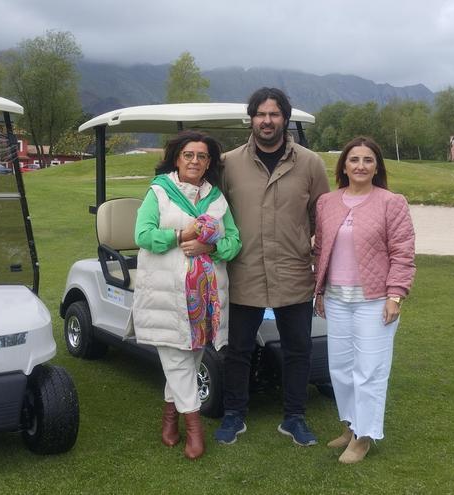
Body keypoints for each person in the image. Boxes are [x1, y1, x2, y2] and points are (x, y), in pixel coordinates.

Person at [216, 87, 330, 447]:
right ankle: (234, 415)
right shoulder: (228, 163)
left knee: (299, 349)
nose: (267, 121)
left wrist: (316, 261)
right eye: (261, 114)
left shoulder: (310, 163)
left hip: (293, 273)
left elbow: (322, 218)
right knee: (238, 349)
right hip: (243, 272)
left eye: (274, 114)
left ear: (285, 118)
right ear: (251, 118)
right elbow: (213, 214)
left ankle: (294, 418)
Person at [133, 131, 242, 460]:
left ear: (209, 163)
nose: (195, 161)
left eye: (202, 156)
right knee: (179, 361)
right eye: (188, 155)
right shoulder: (159, 192)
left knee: (190, 359)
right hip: (168, 295)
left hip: (206, 298)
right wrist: (183, 233)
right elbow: (143, 233)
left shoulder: (217, 199)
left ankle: (169, 420)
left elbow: (234, 241)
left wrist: (210, 246)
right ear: (177, 158)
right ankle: (195, 429)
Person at [313, 136, 416, 464]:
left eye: (367, 160)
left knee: (369, 370)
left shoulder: (391, 202)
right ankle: (350, 426)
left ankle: (363, 437)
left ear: (377, 167)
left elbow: (403, 252)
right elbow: (320, 250)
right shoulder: (326, 202)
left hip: (375, 301)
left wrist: (395, 296)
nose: (360, 165)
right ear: (343, 165)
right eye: (354, 160)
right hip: (337, 299)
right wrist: (318, 291)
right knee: (341, 369)